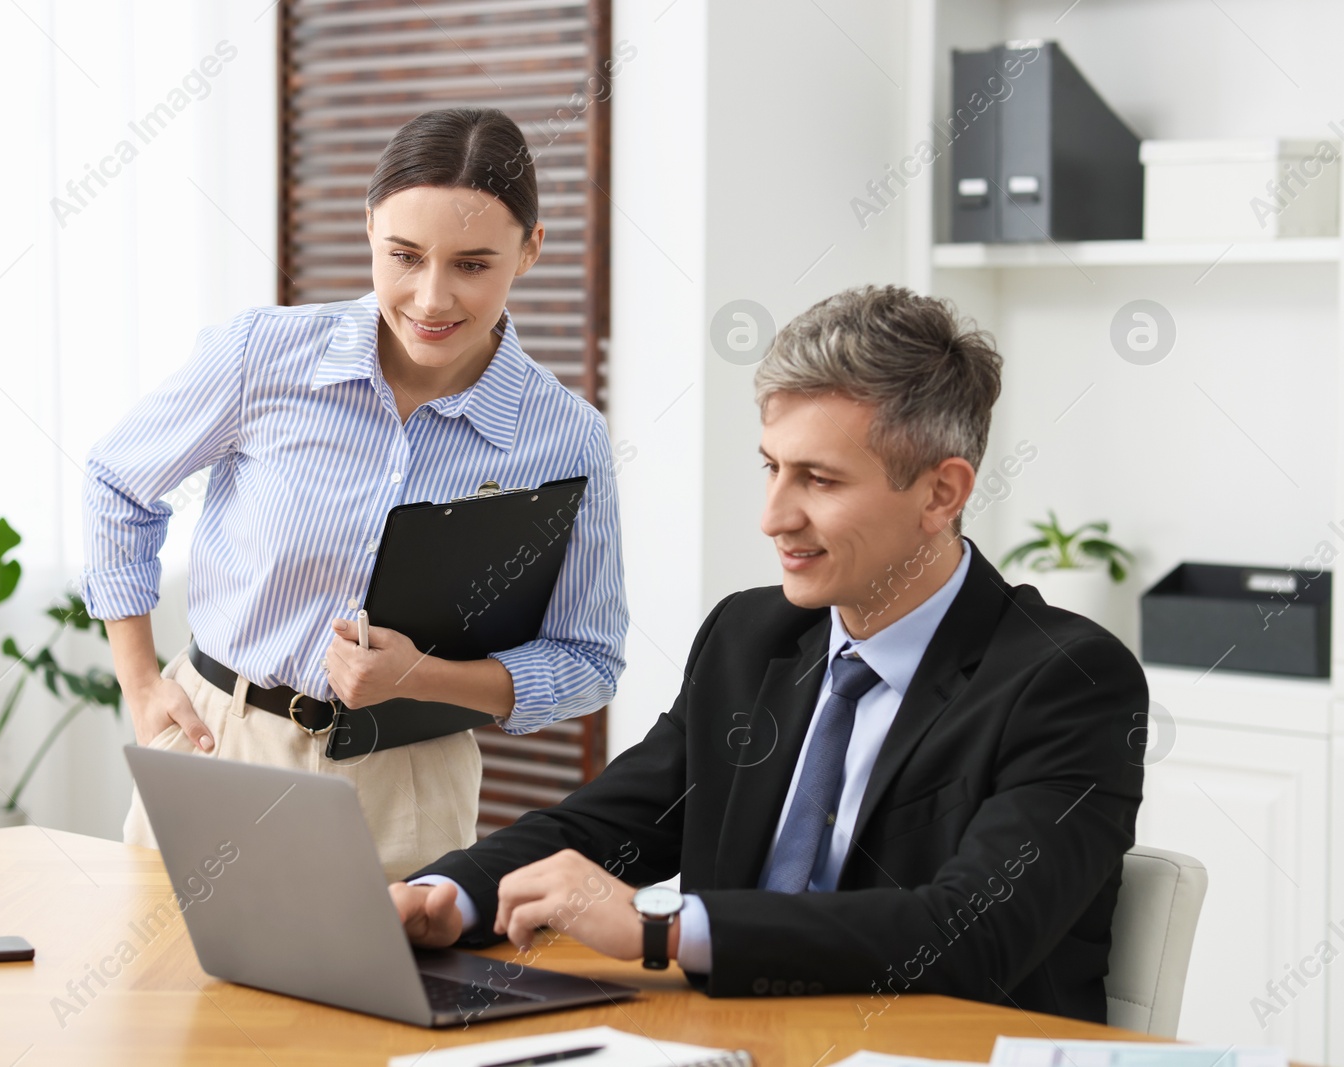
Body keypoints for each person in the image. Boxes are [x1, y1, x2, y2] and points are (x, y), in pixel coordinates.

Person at [393, 285, 1147, 1022]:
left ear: (941, 494)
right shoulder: (749, 639)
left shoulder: (1069, 680)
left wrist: (662, 928)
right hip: (731, 1038)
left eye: (819, 479)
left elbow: (972, 932)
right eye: (772, 467)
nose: (773, 517)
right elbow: (605, 826)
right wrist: (445, 896)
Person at [79, 108, 628, 881]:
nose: (432, 299)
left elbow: (588, 658)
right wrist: (139, 681)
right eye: (405, 255)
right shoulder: (263, 355)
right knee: (173, 999)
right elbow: (117, 480)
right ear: (370, 227)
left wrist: (425, 680)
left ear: (530, 250)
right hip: (222, 744)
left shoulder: (566, 437)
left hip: (408, 785)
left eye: (473, 265)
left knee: (384, 1002)